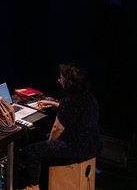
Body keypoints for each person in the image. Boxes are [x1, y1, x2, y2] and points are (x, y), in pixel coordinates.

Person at [19, 62, 102, 190]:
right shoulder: (89, 97)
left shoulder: (68, 101)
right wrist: (53, 104)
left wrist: (49, 143)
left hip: (76, 148)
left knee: (32, 150)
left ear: (67, 82)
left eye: (61, 78)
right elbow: (74, 110)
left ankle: (34, 187)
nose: (59, 80)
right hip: (94, 145)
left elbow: (57, 129)